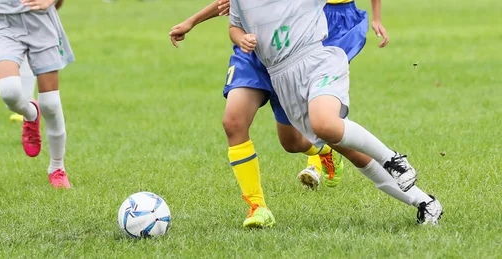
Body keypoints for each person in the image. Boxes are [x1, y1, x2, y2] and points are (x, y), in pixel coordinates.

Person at [229, 0, 443, 225]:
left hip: (316, 62)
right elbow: (233, 24)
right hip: (282, 78)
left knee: (325, 123)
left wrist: (377, 17)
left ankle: (392, 159)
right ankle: (424, 202)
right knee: (322, 143)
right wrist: (235, 35)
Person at [170, 1, 345, 229]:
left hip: (289, 60)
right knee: (233, 122)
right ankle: (257, 207)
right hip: (251, 60)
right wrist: (193, 22)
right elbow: (231, 7)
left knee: (292, 143)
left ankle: (324, 151)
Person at [0, 0, 73, 188]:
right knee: (9, 92)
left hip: (40, 21)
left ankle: (57, 168)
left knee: (50, 103)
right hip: (2, 24)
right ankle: (31, 113)